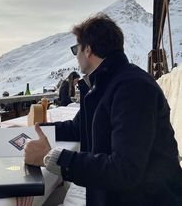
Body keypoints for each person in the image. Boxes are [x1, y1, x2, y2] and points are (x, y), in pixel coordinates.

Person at [24, 14, 182, 206]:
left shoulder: (132, 88)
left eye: (76, 49)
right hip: (115, 195)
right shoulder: (103, 85)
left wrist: (51, 158)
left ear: (88, 49)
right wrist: (33, 130)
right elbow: (77, 128)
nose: (76, 56)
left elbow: (125, 170)